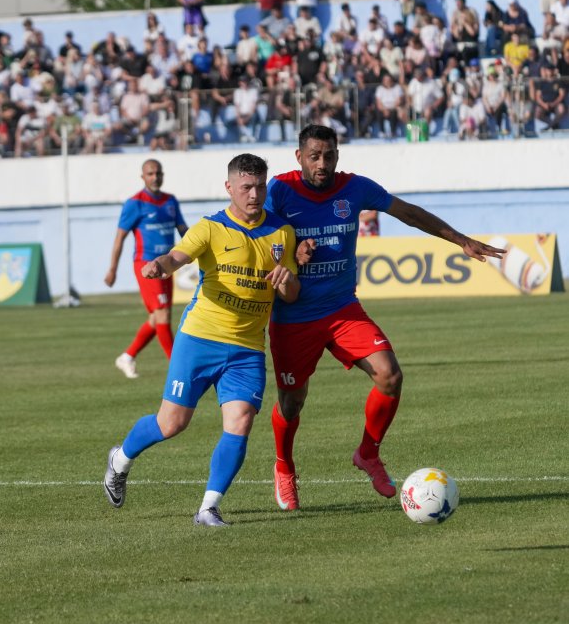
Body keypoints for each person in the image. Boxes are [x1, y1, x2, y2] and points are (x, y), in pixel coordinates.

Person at [262, 124, 505, 511]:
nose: (322, 163)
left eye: (328, 155)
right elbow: (260, 236)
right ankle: (284, 466)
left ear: (338, 155)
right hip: (295, 316)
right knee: (292, 403)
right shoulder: (278, 190)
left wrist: (461, 239)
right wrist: (290, 252)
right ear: (299, 157)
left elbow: (407, 212)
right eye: (314, 156)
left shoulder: (355, 188)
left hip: (343, 309)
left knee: (390, 375)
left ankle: (368, 453)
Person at [103, 153, 300, 527]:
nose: (254, 195)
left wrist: (287, 281)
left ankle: (208, 507)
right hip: (199, 339)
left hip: (247, 349)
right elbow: (177, 256)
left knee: (240, 420)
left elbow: (290, 292)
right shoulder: (210, 228)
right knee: (172, 423)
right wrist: (159, 265)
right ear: (229, 188)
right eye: (246, 187)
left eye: (260, 186)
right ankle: (120, 459)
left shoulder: (282, 233)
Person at [105, 159, 188, 379]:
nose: (155, 177)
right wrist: (112, 269)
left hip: (166, 264)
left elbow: (184, 231)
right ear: (143, 177)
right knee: (163, 315)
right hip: (146, 266)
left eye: (158, 173)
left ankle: (127, 356)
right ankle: (177, 367)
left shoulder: (171, 201)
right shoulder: (135, 203)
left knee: (156, 319)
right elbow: (119, 238)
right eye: (150, 173)